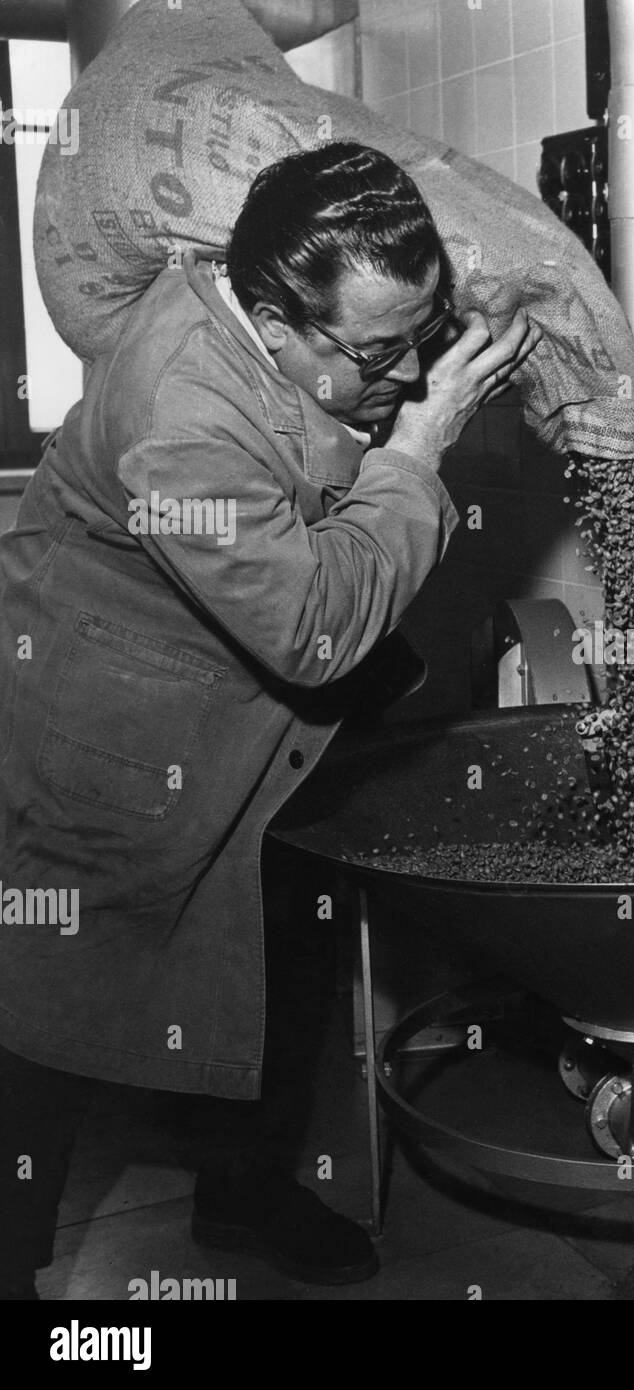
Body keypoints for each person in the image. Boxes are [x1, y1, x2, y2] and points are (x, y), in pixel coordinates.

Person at [0, 140, 540, 1297]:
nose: (410, 368)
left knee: (274, 945)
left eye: (422, 332)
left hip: (245, 728)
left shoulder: (281, 316)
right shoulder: (177, 421)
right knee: (41, 1012)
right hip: (112, 731)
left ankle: (243, 1191)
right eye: (379, 350)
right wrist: (421, 449)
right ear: (273, 322)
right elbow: (313, 628)